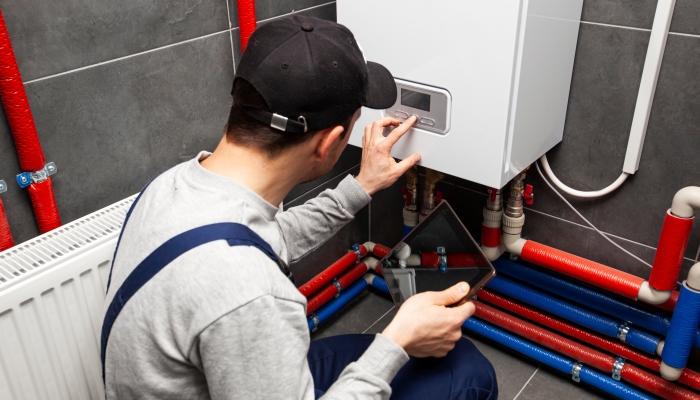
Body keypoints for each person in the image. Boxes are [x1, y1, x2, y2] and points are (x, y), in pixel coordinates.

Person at [102, 15, 497, 400]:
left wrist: (362, 186)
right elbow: (242, 288)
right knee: (470, 376)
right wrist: (397, 341)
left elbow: (263, 239)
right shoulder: (251, 295)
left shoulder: (174, 186)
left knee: (443, 358)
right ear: (329, 143)